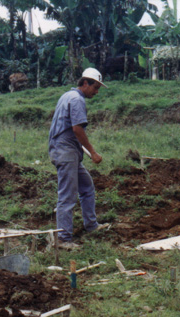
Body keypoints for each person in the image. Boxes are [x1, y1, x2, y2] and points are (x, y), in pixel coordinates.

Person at [49, 67, 108, 250]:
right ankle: (63, 239)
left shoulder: (67, 96)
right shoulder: (76, 100)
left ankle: (91, 225)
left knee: (86, 187)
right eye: (95, 87)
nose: (96, 92)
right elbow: (77, 129)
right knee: (67, 196)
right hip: (66, 153)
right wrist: (93, 152)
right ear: (84, 83)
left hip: (68, 151)